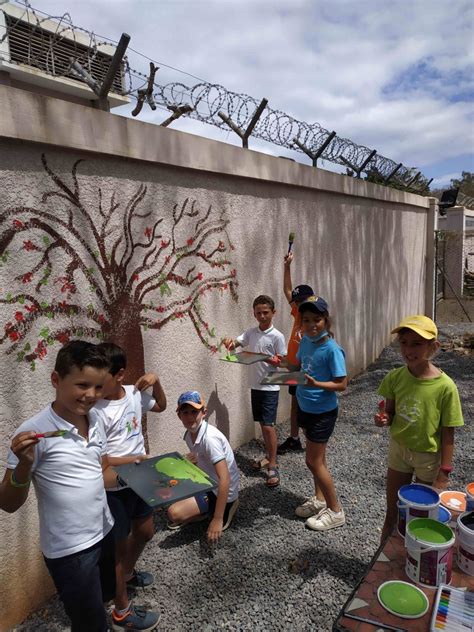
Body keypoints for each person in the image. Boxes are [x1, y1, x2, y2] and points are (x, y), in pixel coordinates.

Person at [0, 341, 116, 632]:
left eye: (98, 387)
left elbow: (97, 470)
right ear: (56, 380)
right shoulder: (33, 433)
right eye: (82, 385)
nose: (91, 395)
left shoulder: (98, 418)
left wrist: (145, 481)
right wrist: (24, 465)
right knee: (90, 625)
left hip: (104, 530)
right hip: (71, 552)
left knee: (102, 602)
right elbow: (8, 503)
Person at [95, 342, 166, 632]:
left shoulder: (135, 395)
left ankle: (126, 573)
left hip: (139, 479)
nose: (97, 385)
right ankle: (122, 611)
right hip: (113, 488)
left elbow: (161, 405)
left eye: (103, 378)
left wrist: (157, 380)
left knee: (146, 531)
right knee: (117, 546)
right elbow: (102, 459)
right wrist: (135, 458)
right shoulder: (96, 411)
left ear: (120, 374)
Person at [375, 315, 464, 541]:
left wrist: (444, 472)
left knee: (420, 514)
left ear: (433, 346)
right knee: (393, 509)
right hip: (399, 450)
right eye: (404, 342)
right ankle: (381, 555)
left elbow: (448, 431)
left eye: (417, 343)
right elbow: (391, 412)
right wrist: (384, 418)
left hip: (427, 456)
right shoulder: (395, 377)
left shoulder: (445, 387)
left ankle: (414, 554)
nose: (408, 350)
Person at [278, 296, 347, 530]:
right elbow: (296, 367)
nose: (311, 325)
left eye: (316, 319)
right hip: (305, 407)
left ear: (325, 320)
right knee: (319, 459)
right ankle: (319, 500)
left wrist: (316, 383)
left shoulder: (332, 349)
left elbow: (342, 384)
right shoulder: (306, 341)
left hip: (323, 412)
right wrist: (278, 362)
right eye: (306, 320)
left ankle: (336, 511)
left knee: (313, 462)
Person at [223, 295, 286, 487]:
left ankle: (273, 465)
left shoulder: (277, 336)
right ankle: (269, 456)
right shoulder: (251, 332)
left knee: (268, 426)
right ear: (254, 313)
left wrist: (264, 357)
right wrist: (229, 343)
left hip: (270, 386)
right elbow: (237, 343)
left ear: (273, 313)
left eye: (266, 312)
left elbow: (282, 362)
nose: (262, 316)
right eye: (258, 312)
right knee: (262, 425)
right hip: (255, 386)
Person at [166, 391, 240, 542]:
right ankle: (203, 510)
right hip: (208, 482)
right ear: (179, 415)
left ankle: (226, 507)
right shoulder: (190, 434)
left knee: (174, 513)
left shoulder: (210, 439)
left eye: (194, 412)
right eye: (185, 412)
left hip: (220, 490)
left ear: (204, 412)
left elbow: (224, 478)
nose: (189, 417)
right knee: (171, 484)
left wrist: (218, 519)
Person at [277, 251, 314, 454]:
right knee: (294, 403)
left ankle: (312, 443)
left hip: (304, 369)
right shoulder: (298, 314)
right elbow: (287, 290)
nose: (298, 304)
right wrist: (287, 266)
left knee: (305, 406)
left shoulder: (313, 322)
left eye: (303, 301)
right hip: (293, 367)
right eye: (297, 302)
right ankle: (294, 438)